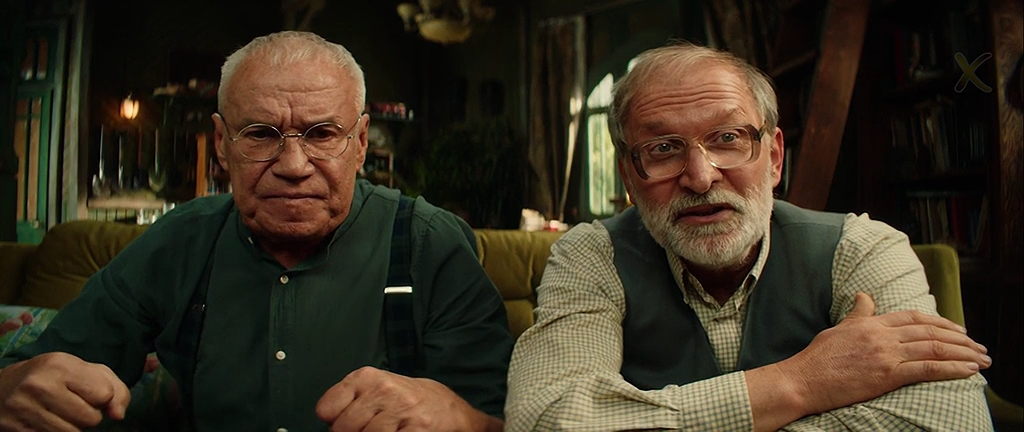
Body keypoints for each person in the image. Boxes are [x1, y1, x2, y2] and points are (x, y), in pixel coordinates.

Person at [0, 31, 510, 432]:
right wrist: (14, 388)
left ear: (359, 143)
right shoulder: (180, 242)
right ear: (222, 144)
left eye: (322, 134)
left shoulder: (431, 244)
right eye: (261, 135)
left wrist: (466, 420)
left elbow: (503, 419)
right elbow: (38, 372)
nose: (293, 165)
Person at [505, 41, 994, 431]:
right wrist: (800, 382)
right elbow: (547, 420)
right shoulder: (591, 255)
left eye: (728, 139)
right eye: (663, 148)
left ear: (775, 158)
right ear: (629, 178)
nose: (700, 177)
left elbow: (951, 420)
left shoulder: (863, 248)